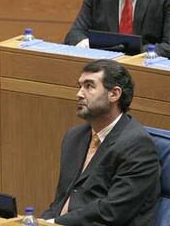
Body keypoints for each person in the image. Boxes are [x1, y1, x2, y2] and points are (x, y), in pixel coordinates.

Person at [41, 59, 160, 225]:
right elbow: (62, 200)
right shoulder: (74, 137)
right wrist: (40, 222)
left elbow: (112, 212)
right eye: (80, 86)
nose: (79, 94)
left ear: (114, 94)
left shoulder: (137, 144)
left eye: (89, 86)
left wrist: (54, 223)